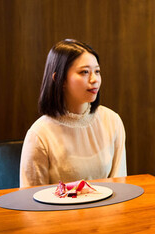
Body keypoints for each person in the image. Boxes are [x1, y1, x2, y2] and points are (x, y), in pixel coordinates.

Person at [20, 39, 127, 187]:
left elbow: (120, 184)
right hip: (58, 211)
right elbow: (31, 199)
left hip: (107, 210)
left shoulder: (112, 121)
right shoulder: (40, 134)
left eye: (97, 71)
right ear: (59, 79)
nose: (94, 79)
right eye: (84, 72)